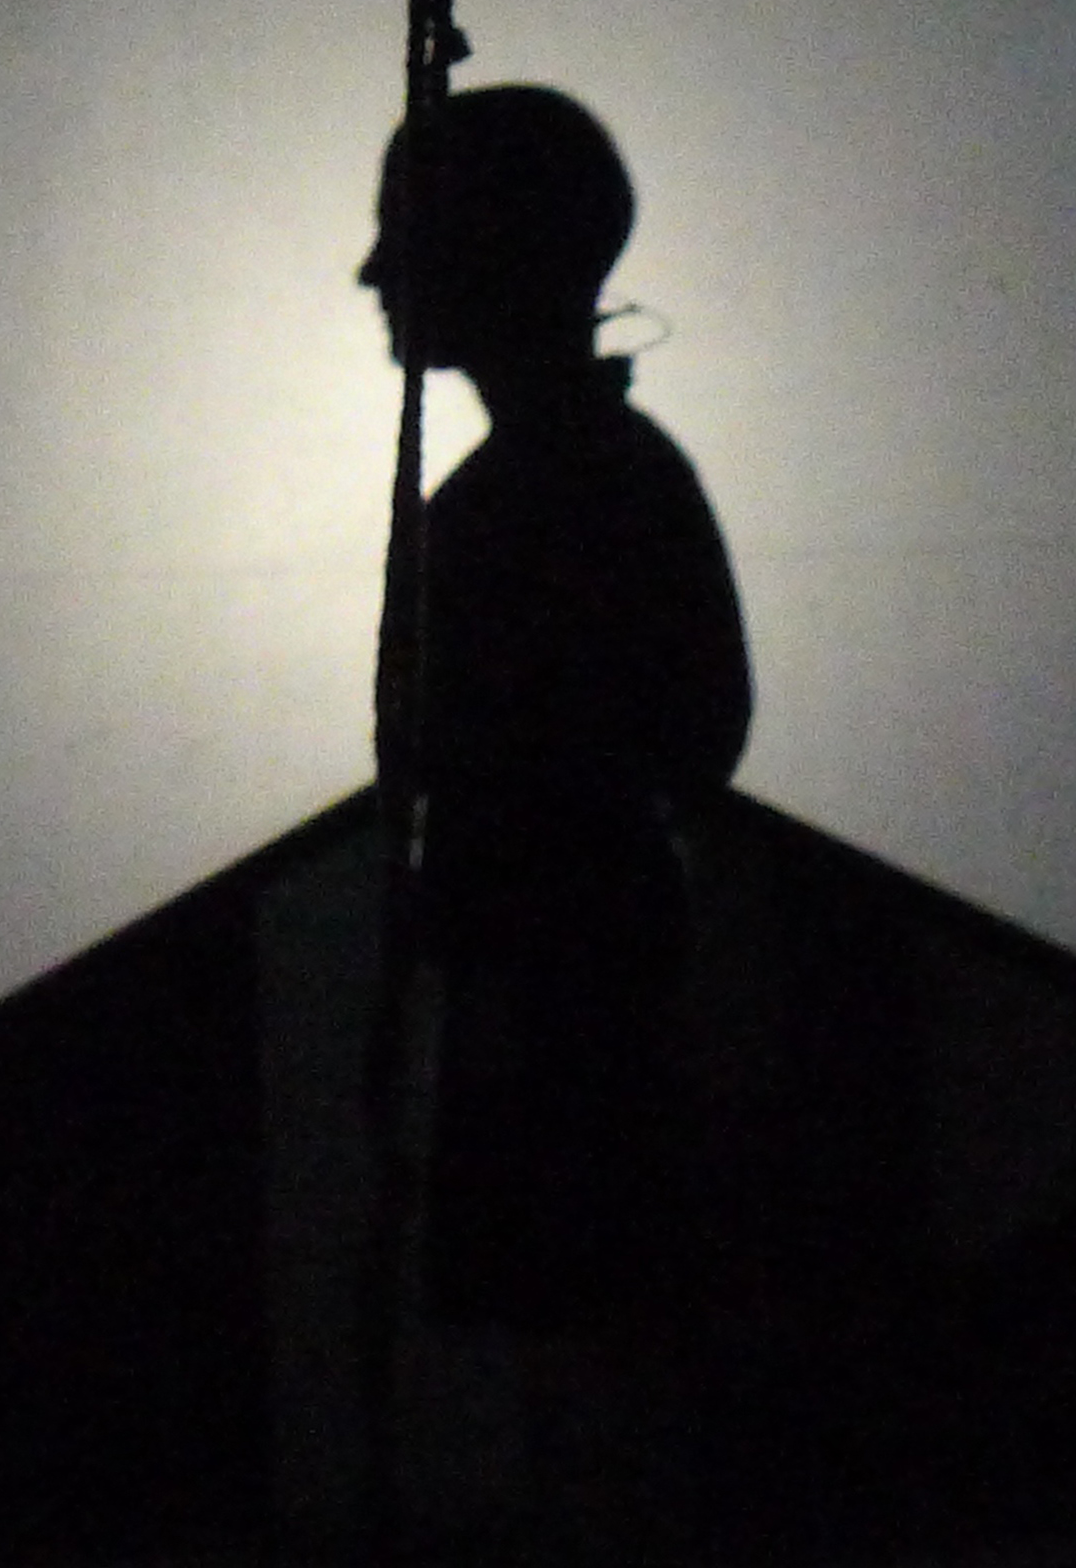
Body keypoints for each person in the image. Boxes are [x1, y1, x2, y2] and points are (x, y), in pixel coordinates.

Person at [363, 85, 750, 1331]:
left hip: (562, 1006)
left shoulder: (557, 490)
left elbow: (685, 730)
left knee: (580, 1333)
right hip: (550, 988)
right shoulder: (570, 479)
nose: (373, 273)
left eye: (401, 232)